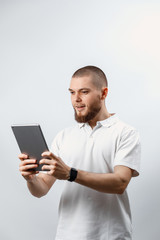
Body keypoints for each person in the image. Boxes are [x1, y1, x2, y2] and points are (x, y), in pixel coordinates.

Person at [19, 66, 141, 240]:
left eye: (84, 92)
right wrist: (31, 179)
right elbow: (42, 189)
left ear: (103, 93)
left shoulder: (125, 132)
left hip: (112, 236)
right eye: (72, 92)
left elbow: (120, 183)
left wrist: (71, 174)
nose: (76, 99)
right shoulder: (64, 136)